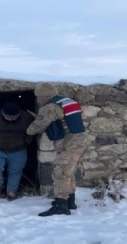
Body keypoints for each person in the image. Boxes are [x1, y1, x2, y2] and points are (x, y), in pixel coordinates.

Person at [27, 82, 90, 216]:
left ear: (41, 96)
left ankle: (61, 206)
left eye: (37, 96)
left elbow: (37, 127)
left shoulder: (50, 106)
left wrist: (27, 130)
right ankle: (70, 202)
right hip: (82, 140)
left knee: (60, 173)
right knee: (69, 172)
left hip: (70, 143)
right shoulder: (67, 101)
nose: (37, 99)